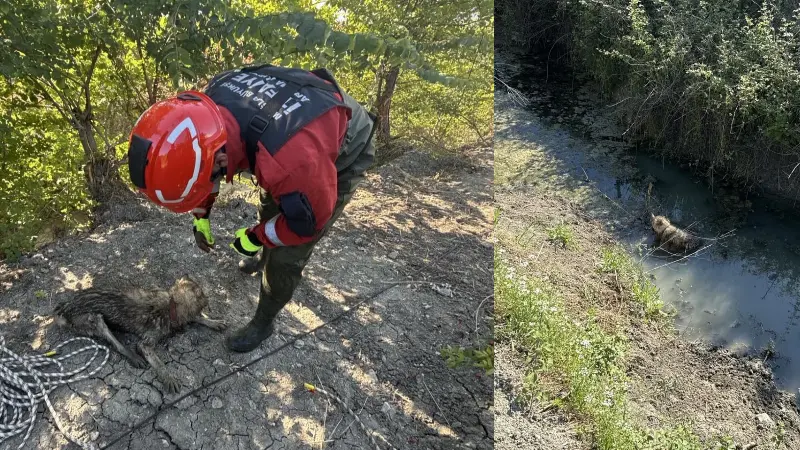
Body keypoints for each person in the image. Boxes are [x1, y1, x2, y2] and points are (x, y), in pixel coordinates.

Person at [126, 64, 377, 353]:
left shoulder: (290, 164)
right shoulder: (206, 112)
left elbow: (306, 225)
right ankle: (261, 258)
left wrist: (257, 236)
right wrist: (201, 218)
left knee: (287, 252)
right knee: (271, 204)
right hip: (293, 134)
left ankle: (264, 322)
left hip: (346, 140)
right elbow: (206, 171)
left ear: (220, 161)